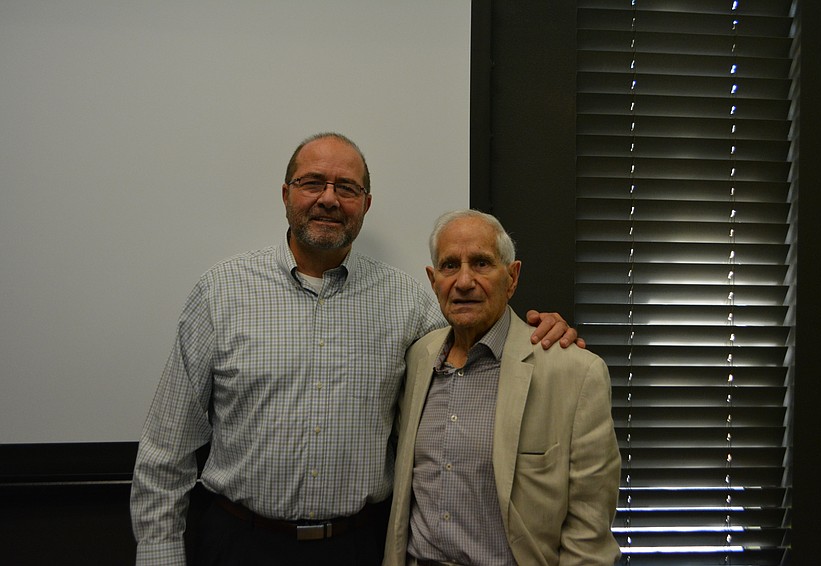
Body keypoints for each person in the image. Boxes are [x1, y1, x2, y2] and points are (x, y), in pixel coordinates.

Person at [130, 133, 579, 566]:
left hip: (359, 546)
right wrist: (158, 553)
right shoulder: (220, 293)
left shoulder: (407, 302)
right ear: (286, 194)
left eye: (346, 187)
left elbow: (477, 343)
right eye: (312, 183)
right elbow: (166, 450)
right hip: (240, 543)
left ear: (365, 204)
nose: (329, 198)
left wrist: (542, 335)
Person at [383, 209, 621, 566]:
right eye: (450, 266)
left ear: (512, 278)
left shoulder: (574, 372)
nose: (464, 281)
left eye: (481, 263)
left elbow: (589, 529)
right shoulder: (418, 358)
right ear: (434, 281)